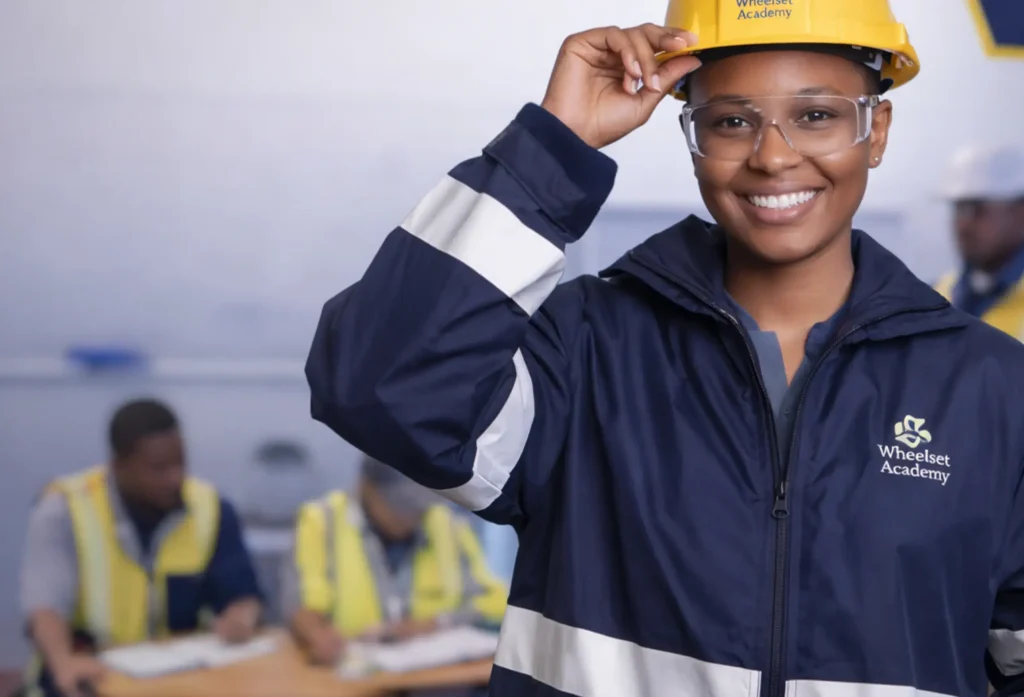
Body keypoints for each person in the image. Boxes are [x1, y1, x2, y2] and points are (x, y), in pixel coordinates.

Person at [304, 1, 1024, 695]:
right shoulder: (584, 352)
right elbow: (377, 385)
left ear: (877, 129)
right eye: (733, 120)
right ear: (689, 135)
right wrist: (553, 147)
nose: (773, 157)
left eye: (816, 116)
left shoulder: (994, 388)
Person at [18, 399, 263, 697]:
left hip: (178, 677)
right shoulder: (64, 509)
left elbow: (242, 594)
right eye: (158, 469)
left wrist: (242, 615)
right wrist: (63, 663)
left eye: (180, 463)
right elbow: (45, 608)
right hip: (90, 673)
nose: (174, 478)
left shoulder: (211, 507)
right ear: (119, 465)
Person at [282, 457, 507, 691]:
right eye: (399, 504)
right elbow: (304, 605)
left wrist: (435, 623)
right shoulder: (321, 521)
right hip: (352, 680)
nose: (408, 516)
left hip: (437, 679)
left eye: (418, 505)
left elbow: (494, 600)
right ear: (366, 487)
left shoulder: (446, 523)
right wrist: (317, 634)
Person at [934, 144, 1024, 337]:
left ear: (1020, 215)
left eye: (977, 209)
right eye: (958, 209)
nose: (963, 225)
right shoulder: (940, 292)